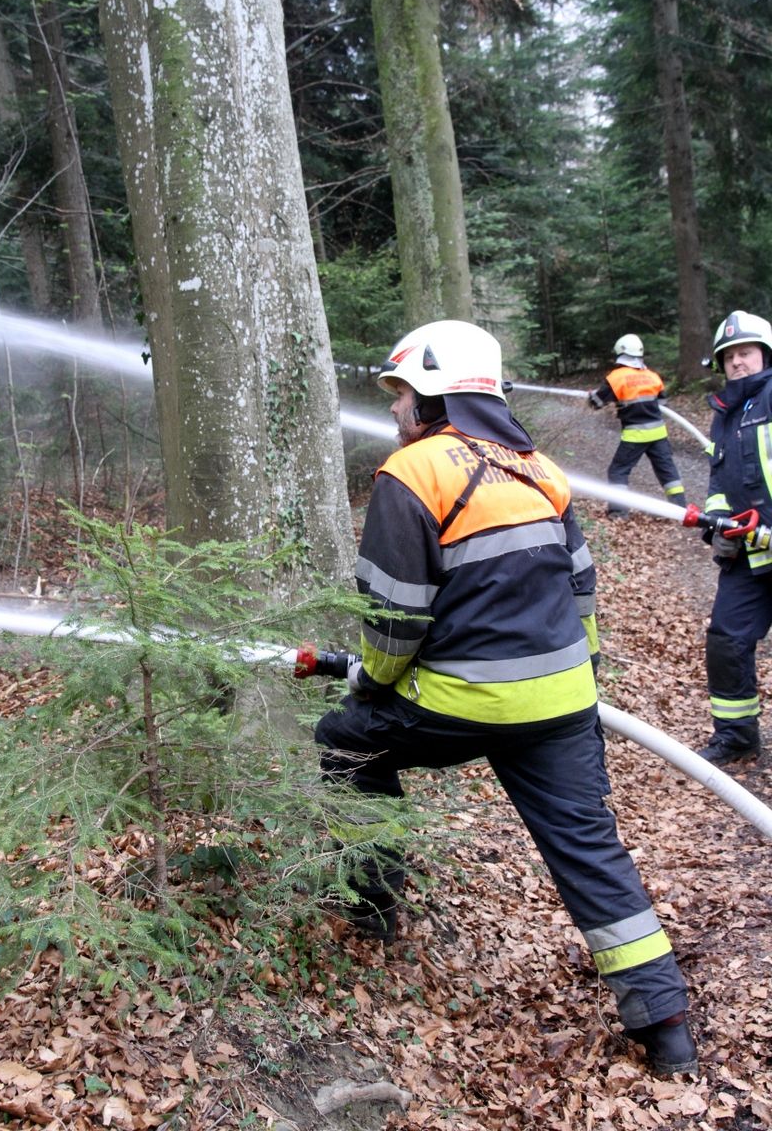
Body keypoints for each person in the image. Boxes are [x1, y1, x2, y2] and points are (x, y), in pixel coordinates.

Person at [315, 319, 697, 1077]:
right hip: (563, 704)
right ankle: (666, 1026)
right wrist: (578, 684)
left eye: (401, 393)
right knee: (589, 849)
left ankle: (371, 907)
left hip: (459, 705)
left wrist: (369, 680)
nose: (392, 407)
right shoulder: (538, 469)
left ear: (435, 397)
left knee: (345, 741)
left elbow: (394, 621)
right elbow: (583, 592)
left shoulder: (411, 473)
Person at [697, 310, 772, 766]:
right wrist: (719, 527)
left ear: (765, 355)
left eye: (745, 353)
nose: (737, 362)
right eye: (729, 357)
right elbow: (719, 483)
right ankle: (737, 737)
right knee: (726, 641)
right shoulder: (725, 414)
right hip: (749, 556)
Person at [588, 334, 686, 515]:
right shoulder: (652, 376)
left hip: (636, 434)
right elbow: (662, 404)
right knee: (667, 471)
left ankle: (619, 512)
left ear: (621, 353)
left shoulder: (616, 377)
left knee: (618, 471)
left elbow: (596, 402)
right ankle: (679, 508)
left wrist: (592, 396)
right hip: (659, 433)